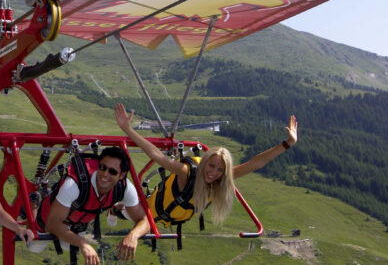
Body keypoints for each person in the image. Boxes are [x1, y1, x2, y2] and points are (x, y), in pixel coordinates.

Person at [114, 103, 297, 241]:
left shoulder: (220, 180)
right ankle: (115, 209)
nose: (214, 173)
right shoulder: (186, 172)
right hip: (149, 211)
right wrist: (127, 129)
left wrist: (287, 144)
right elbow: (157, 156)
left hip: (171, 216)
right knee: (125, 213)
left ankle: (119, 208)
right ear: (204, 163)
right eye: (211, 166)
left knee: (135, 215)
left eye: (219, 170)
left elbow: (256, 163)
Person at [31, 145, 150, 265]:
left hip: (77, 223)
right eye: (102, 167)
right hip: (50, 216)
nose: (105, 174)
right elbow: (52, 224)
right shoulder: (74, 184)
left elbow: (145, 220)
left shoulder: (125, 188)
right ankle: (33, 204)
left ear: (121, 175)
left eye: (112, 171)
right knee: (35, 247)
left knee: (69, 246)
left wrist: (133, 235)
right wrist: (83, 243)